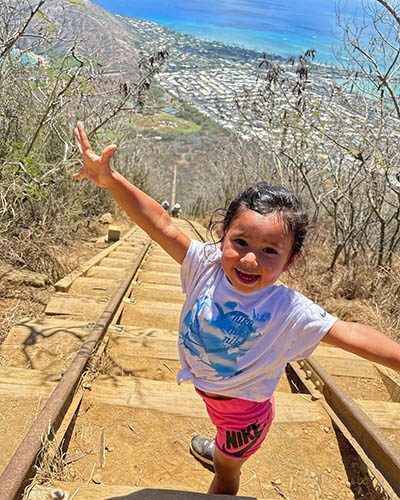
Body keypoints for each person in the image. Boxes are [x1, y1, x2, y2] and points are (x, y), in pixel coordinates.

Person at [73, 122, 400, 496]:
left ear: (290, 261)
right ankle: (220, 448)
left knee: (227, 473)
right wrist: (111, 180)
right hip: (211, 394)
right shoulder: (206, 265)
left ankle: (225, 458)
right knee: (223, 445)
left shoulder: (288, 309)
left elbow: (352, 333)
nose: (249, 259)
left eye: (270, 251)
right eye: (240, 241)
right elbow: (162, 224)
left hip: (246, 418)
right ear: (223, 234)